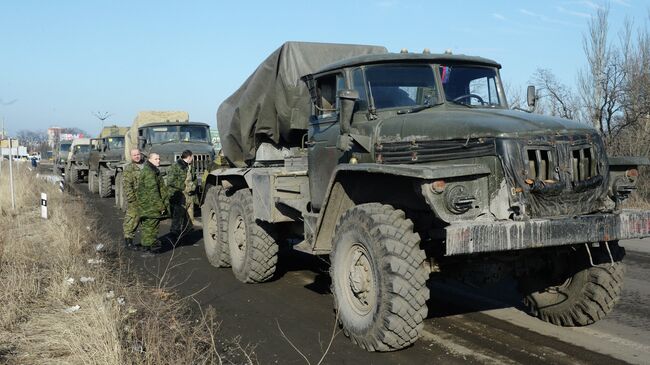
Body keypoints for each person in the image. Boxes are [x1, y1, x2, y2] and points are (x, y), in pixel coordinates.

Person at [137, 153, 168, 252]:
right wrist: (161, 206)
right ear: (150, 160)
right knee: (151, 227)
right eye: (156, 159)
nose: (158, 161)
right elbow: (153, 192)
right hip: (150, 206)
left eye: (159, 159)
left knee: (148, 226)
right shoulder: (149, 173)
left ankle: (147, 246)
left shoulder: (152, 170)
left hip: (148, 205)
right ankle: (151, 247)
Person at [167, 150, 196, 239]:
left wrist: (194, 187)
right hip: (180, 194)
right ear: (189, 157)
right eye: (192, 157)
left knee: (190, 215)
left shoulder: (190, 167)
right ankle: (174, 233)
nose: (193, 159)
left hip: (190, 195)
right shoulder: (175, 166)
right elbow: (170, 181)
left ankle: (187, 233)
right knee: (178, 215)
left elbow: (193, 178)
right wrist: (184, 187)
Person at [123, 148, 143, 250]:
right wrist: (132, 199)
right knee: (132, 219)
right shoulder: (129, 169)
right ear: (131, 156)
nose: (137, 156)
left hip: (146, 199)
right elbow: (127, 185)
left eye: (138, 154)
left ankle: (147, 242)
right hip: (135, 199)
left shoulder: (145, 166)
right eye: (134, 155)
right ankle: (128, 242)